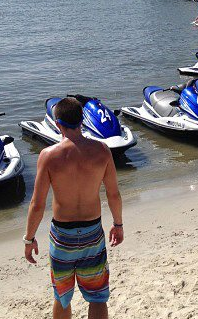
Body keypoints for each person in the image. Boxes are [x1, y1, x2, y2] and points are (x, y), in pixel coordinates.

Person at [23, 98, 124, 319]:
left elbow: (37, 205)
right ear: (83, 120)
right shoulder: (102, 150)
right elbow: (113, 194)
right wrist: (118, 224)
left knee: (62, 297)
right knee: (97, 297)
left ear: (57, 124)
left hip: (62, 237)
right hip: (92, 234)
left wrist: (29, 239)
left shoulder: (49, 156)